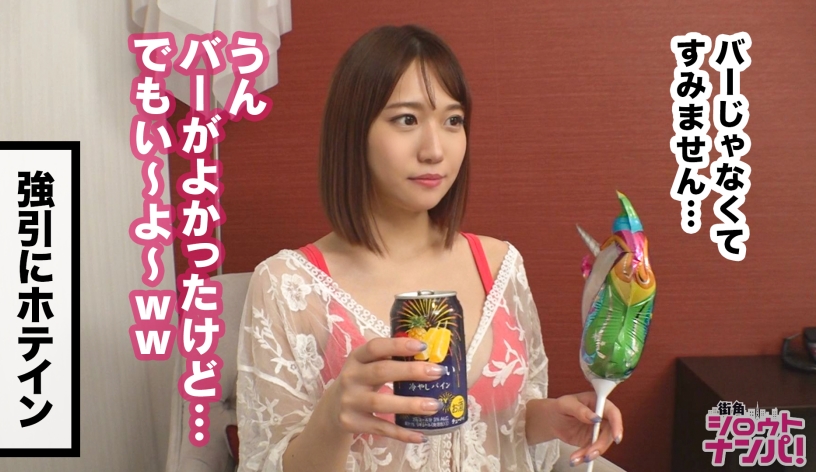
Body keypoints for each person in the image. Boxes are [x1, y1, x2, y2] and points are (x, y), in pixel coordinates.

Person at [236, 24, 624, 472]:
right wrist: (332, 418)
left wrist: (549, 419)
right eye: (407, 119)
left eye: (452, 120)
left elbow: (506, 421)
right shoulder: (287, 285)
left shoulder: (501, 265)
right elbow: (266, 463)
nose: (435, 150)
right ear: (353, 132)